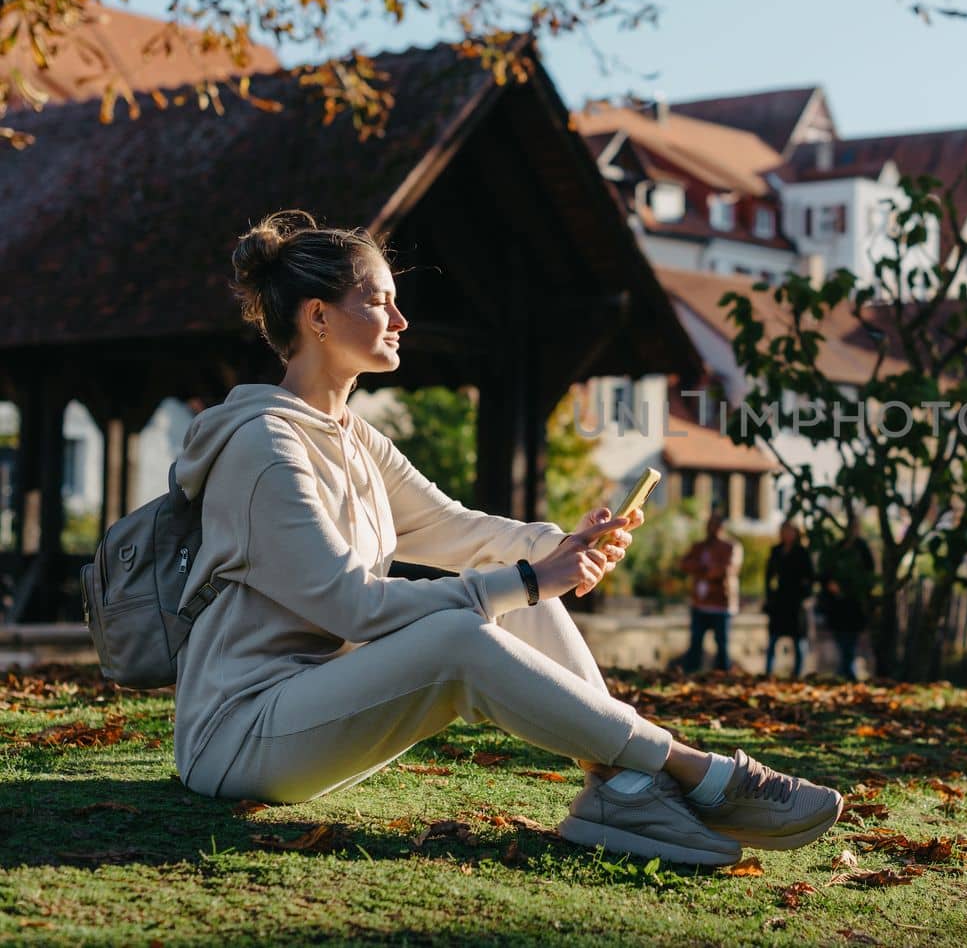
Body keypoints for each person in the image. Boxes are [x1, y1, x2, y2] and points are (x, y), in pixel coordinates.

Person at [172, 211, 841, 867]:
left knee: (512, 566)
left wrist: (558, 549)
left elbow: (455, 528)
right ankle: (693, 770)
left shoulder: (354, 438)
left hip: (319, 707)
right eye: (380, 302)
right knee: (465, 631)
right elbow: (355, 608)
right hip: (240, 735)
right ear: (317, 317)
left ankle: (619, 787)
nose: (402, 321)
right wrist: (528, 580)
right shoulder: (265, 448)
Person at [676, 512, 741, 672]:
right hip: (700, 603)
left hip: (721, 603)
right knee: (695, 644)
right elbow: (684, 563)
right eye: (709, 525)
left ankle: (723, 677)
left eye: (715, 525)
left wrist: (701, 569)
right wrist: (705, 569)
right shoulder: (699, 546)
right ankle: (691, 675)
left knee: (722, 645)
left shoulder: (731, 547)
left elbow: (725, 570)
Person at [817, 513, 874, 680]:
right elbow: (824, 572)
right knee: (841, 639)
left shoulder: (862, 549)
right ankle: (845, 672)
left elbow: (868, 575)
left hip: (854, 603)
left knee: (851, 640)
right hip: (837, 604)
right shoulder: (836, 549)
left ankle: (846, 672)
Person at [762, 520, 814, 677]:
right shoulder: (776, 551)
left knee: (799, 641)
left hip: (796, 601)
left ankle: (798, 674)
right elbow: (769, 575)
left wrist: (805, 596)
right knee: (773, 639)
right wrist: (770, 595)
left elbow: (809, 577)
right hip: (780, 601)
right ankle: (768, 672)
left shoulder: (802, 552)